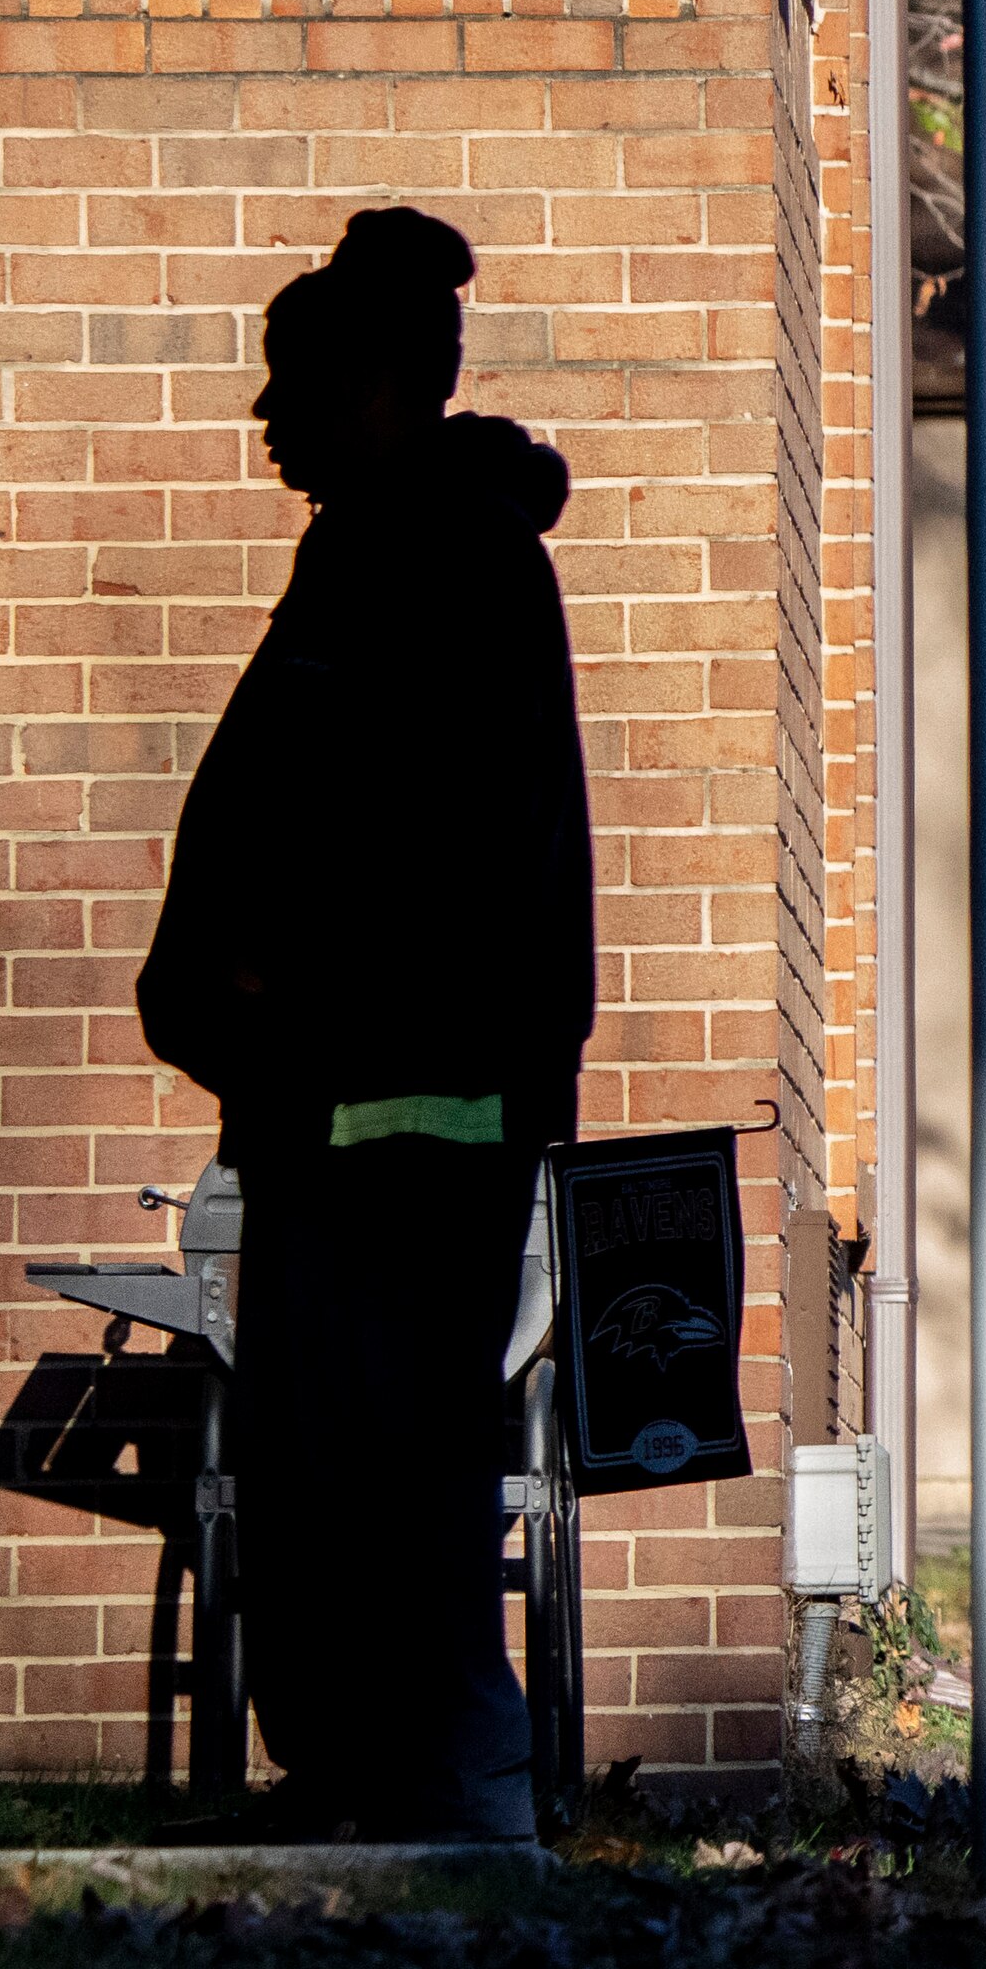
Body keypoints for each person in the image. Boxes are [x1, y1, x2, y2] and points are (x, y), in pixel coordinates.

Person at [134, 207, 592, 1845]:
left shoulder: (447, 562)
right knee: (325, 1466)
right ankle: (360, 1779)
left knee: (394, 1465)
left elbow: (430, 847)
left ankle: (451, 1791)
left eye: (296, 381)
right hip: (334, 1109)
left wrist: (285, 986)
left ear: (382, 383)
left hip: (403, 1118)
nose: (267, 415)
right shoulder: (378, 551)